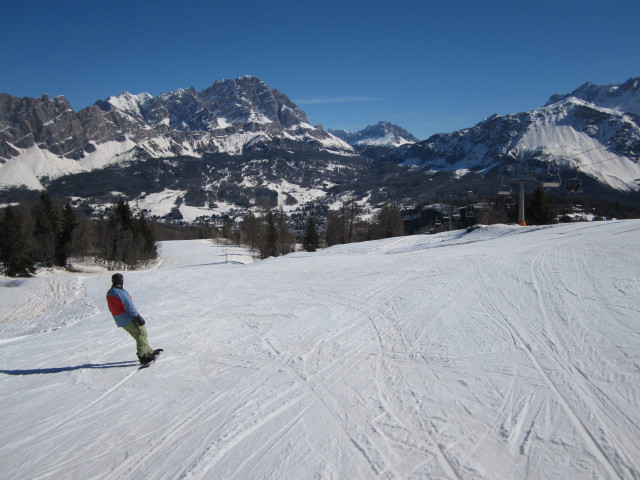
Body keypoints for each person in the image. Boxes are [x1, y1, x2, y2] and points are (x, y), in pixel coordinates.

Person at [106, 273, 162, 365]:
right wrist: (137, 316)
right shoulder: (120, 292)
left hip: (119, 318)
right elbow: (129, 306)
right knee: (141, 333)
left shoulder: (110, 292)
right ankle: (143, 356)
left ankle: (149, 351)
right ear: (121, 281)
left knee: (141, 334)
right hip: (127, 317)